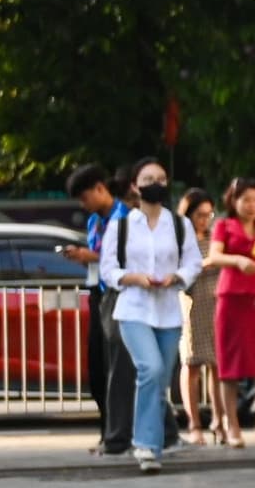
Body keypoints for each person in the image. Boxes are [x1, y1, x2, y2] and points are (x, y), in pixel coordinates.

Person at [110, 169, 193, 468]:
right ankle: (144, 443)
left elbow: (193, 262)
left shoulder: (180, 225)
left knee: (159, 382)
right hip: (133, 308)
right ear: (135, 186)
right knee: (151, 367)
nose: (154, 184)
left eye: (160, 178)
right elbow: (109, 269)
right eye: (147, 179)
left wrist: (176, 277)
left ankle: (154, 447)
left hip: (169, 310)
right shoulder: (121, 226)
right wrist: (133, 277)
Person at [66, 164, 131, 453]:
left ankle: (119, 434)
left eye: (85, 197)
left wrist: (87, 255)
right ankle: (107, 430)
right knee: (98, 366)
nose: (84, 204)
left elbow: (121, 256)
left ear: (99, 188)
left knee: (116, 368)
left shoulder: (126, 217)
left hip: (122, 295)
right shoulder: (94, 221)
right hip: (98, 293)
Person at [211, 179, 255, 444]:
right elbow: (215, 256)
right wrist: (237, 260)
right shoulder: (224, 226)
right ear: (233, 200)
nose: (251, 205)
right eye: (246, 199)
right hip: (231, 299)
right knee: (230, 367)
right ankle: (233, 426)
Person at [180, 188, 225, 442]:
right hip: (192, 302)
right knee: (193, 362)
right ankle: (194, 423)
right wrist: (207, 263)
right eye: (200, 215)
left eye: (209, 214)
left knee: (218, 365)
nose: (205, 220)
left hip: (216, 301)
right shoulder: (181, 240)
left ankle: (219, 419)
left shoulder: (214, 237)